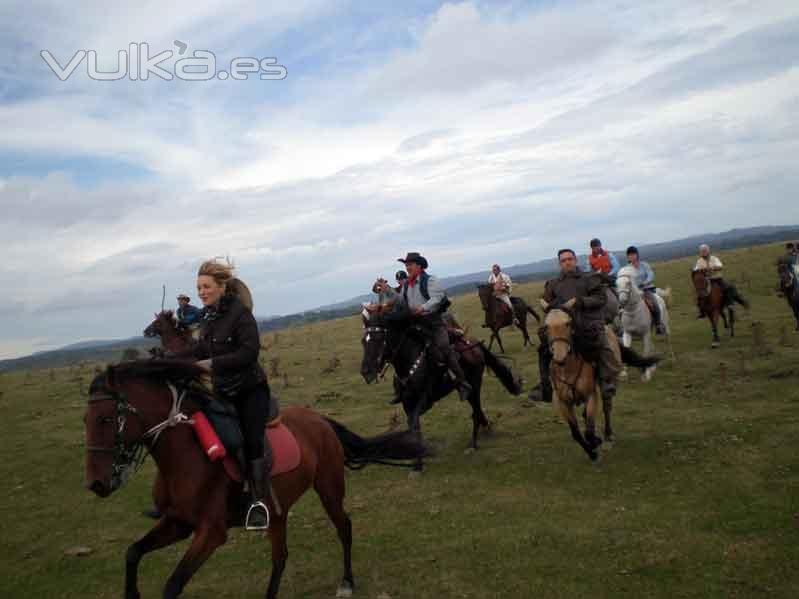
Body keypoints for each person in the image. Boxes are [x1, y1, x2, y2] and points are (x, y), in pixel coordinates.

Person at [191, 259, 276, 531]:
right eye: (199, 288)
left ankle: (258, 502)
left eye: (206, 287)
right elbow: (200, 350)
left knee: (251, 440)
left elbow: (249, 353)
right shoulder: (208, 318)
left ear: (221, 286)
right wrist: (167, 360)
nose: (202, 292)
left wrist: (213, 364)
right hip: (223, 391)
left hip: (250, 390)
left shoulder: (241, 315)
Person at [529, 248, 622, 404]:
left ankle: (606, 380)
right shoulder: (553, 284)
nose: (567, 262)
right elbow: (547, 303)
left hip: (587, 322)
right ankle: (545, 385)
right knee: (544, 349)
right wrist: (547, 306)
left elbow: (600, 299)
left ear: (575, 260)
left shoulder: (590, 278)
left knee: (601, 343)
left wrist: (580, 301)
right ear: (560, 263)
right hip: (564, 326)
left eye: (570, 259)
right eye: (564, 260)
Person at [380, 252, 472, 403]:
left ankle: (462, 383)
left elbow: (438, 298)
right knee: (398, 348)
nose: (407, 267)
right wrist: (388, 290)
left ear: (419, 265)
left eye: (410, 264)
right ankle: (401, 388)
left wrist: (423, 308)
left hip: (433, 322)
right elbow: (401, 302)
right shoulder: (407, 285)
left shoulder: (430, 280)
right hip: (414, 324)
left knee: (443, 347)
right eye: (406, 265)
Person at [692, 244, 744, 317]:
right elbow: (695, 270)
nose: (703, 253)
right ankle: (701, 311)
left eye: (705, 251)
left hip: (717, 279)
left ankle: (730, 304)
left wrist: (713, 268)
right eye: (702, 251)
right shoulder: (699, 261)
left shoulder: (714, 258)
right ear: (700, 253)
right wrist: (700, 270)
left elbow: (720, 266)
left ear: (708, 251)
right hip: (707, 280)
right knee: (699, 294)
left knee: (728, 287)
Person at [626, 246, 665, 335]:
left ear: (637, 255)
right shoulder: (627, 268)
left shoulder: (644, 265)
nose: (631, 257)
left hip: (646, 289)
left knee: (654, 304)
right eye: (629, 255)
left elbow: (651, 275)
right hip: (634, 291)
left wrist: (645, 282)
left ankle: (658, 325)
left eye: (633, 254)